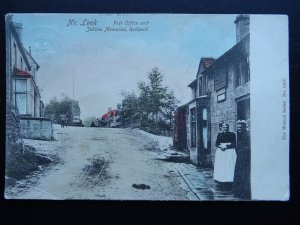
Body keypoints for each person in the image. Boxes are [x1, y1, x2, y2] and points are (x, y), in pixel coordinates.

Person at [213, 122, 237, 191]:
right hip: (221, 152)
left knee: (229, 166)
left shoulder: (232, 134)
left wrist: (226, 147)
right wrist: (220, 147)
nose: (225, 128)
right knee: (222, 166)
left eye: (226, 127)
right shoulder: (219, 134)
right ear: (221, 128)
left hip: (229, 152)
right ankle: (221, 180)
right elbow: (217, 143)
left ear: (228, 128)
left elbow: (234, 144)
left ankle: (229, 181)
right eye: (223, 127)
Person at [233, 120, 251, 200]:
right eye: (238, 127)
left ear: (243, 127)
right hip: (239, 157)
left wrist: (242, 151)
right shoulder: (238, 135)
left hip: (245, 157)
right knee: (238, 174)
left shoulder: (247, 135)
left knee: (244, 175)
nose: (239, 128)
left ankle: (244, 192)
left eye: (240, 127)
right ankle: (238, 192)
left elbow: (248, 146)